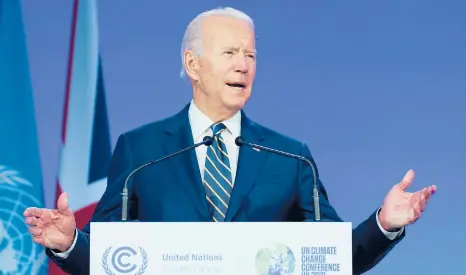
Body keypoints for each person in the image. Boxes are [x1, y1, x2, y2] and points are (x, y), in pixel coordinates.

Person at [24, 7, 436, 275]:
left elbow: (330, 258)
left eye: (251, 55)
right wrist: (69, 242)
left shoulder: (291, 158)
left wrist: (384, 223)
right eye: (230, 52)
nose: (243, 65)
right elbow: (107, 258)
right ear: (193, 64)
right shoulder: (141, 150)